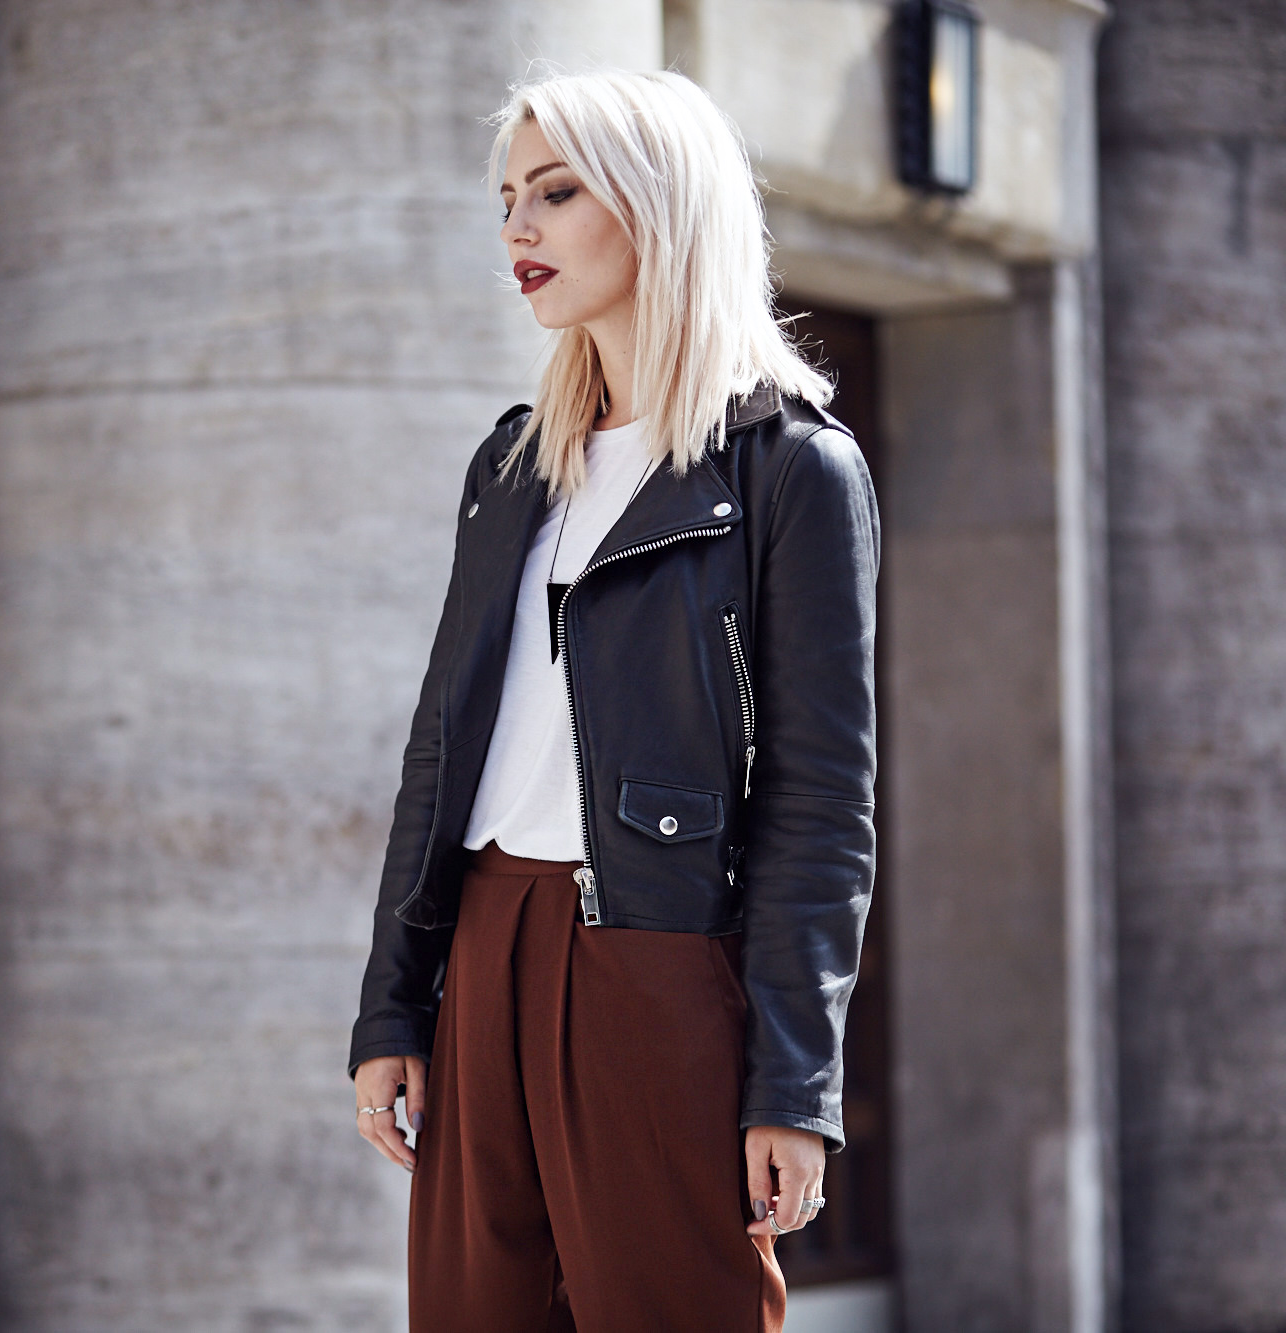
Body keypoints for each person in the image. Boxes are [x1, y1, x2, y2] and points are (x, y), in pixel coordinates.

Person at [348, 69, 879, 1331]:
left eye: (553, 191)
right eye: (504, 202)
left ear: (654, 205)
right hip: (482, 948)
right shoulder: (512, 464)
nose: (514, 230)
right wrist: (393, 999)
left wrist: (791, 1085)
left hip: (655, 968)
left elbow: (819, 802)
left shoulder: (790, 468)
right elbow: (443, 749)